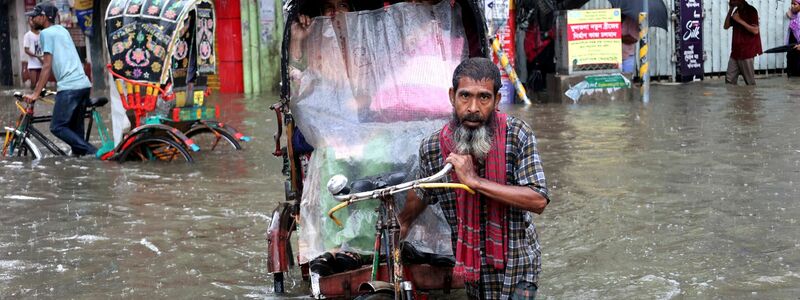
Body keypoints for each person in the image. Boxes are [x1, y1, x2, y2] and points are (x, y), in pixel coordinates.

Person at [398, 57, 549, 300]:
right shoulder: (433, 148)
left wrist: (475, 181)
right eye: (465, 96)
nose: (473, 108)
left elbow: (538, 199)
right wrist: (402, 222)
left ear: (497, 100)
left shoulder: (518, 134)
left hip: (518, 264)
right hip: (471, 266)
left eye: (484, 97)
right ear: (452, 96)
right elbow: (423, 191)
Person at [23, 3, 96, 156]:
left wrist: (35, 93)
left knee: (57, 127)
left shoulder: (46, 34)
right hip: (83, 85)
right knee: (77, 138)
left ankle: (96, 153)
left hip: (69, 87)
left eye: (35, 16)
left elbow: (47, 65)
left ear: (43, 17)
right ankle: (84, 164)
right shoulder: (62, 30)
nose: (32, 19)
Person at [724, 0, 761, 85]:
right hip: (735, 52)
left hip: (746, 52)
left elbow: (755, 30)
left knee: (750, 83)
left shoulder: (751, 11)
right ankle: (735, 98)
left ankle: (750, 98)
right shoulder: (736, 11)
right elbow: (726, 26)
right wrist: (730, 9)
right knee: (729, 81)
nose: (730, 0)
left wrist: (739, 20)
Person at [23, 17, 43, 90]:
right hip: (33, 63)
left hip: (43, 62)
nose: (32, 22)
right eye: (30, 20)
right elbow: (26, 50)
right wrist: (37, 56)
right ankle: (32, 98)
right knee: (33, 83)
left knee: (42, 84)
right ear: (28, 23)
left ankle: (41, 99)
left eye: (33, 20)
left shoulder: (42, 34)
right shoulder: (27, 35)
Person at [786, 0, 800, 77]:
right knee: (791, 73)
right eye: (791, 4)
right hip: (791, 48)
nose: (792, 6)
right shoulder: (794, 16)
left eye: (795, 4)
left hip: (798, 48)